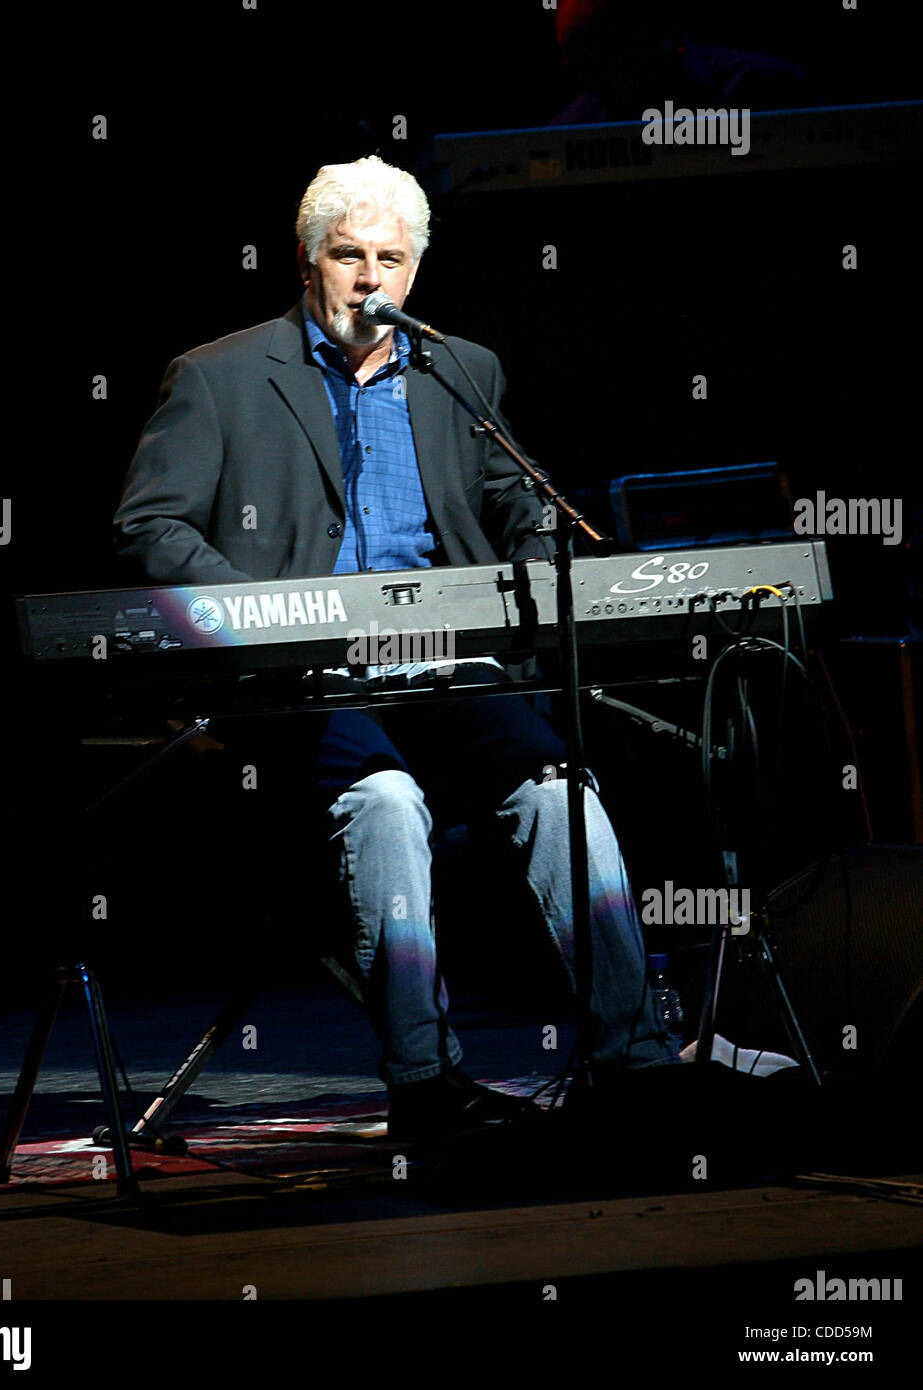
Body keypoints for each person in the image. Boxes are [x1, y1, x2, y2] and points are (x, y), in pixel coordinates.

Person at [113, 155, 783, 1140]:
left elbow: (518, 503)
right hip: (307, 687)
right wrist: (271, 616)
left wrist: (554, 565)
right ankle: (425, 1083)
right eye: (348, 256)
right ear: (307, 262)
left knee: (563, 788)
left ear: (415, 270)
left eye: (389, 258)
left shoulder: (461, 371)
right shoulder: (218, 377)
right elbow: (151, 524)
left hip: (448, 670)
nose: (369, 279)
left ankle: (631, 1060)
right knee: (385, 802)